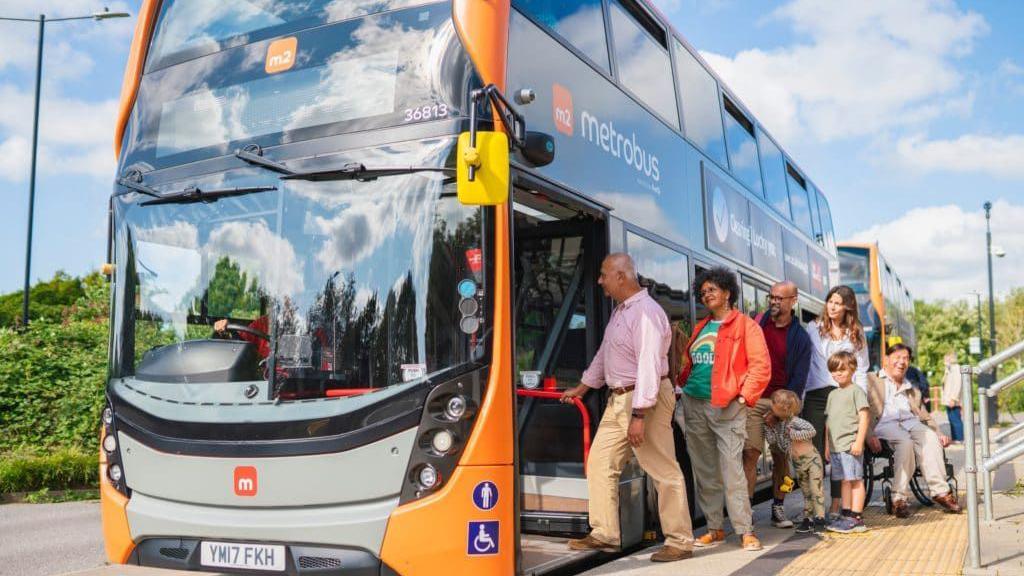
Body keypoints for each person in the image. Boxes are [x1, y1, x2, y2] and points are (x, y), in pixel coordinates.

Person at [560, 253, 693, 563]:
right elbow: (606, 354)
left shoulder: (645, 313)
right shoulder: (622, 311)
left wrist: (639, 415)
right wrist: (583, 386)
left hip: (642, 399)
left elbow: (648, 366)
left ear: (621, 276)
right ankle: (605, 533)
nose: (600, 280)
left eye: (604, 274)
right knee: (600, 463)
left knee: (663, 469)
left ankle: (680, 541)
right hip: (619, 398)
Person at [677, 266, 770, 552]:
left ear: (727, 292)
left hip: (727, 406)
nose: (706, 295)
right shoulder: (701, 327)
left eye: (712, 290)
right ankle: (715, 528)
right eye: (702, 292)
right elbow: (689, 362)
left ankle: (745, 529)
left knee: (732, 470)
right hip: (694, 403)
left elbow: (760, 366)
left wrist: (743, 398)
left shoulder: (745, 326)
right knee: (705, 470)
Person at [866, 343, 962, 517]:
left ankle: (940, 492)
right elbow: (861, 409)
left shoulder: (912, 389)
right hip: (885, 424)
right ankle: (898, 499)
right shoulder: (872, 380)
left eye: (905, 359)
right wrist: (868, 434)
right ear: (886, 360)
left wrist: (939, 433)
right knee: (905, 442)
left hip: (910, 423)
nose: (901, 362)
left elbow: (925, 416)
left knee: (931, 438)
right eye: (897, 358)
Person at [746, 280, 812, 529]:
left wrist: (778, 414)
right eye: (771, 297)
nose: (773, 301)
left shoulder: (801, 338)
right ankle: (747, 509)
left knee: (781, 458)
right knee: (750, 454)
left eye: (779, 298)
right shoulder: (758, 324)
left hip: (782, 404)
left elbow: (798, 383)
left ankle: (778, 506)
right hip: (754, 399)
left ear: (792, 301)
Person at [803, 285, 870, 520]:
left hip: (844, 396)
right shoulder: (813, 328)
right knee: (816, 453)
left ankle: (836, 504)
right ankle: (815, 505)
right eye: (830, 301)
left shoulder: (856, 333)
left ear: (847, 307)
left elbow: (862, 369)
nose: (832, 306)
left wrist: (858, 398)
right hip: (815, 394)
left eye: (838, 302)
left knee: (840, 452)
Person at [763, 389, 824, 534]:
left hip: (812, 459)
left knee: (816, 489)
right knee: (806, 491)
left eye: (773, 404)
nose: (770, 406)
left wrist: (794, 434)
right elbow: (774, 442)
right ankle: (808, 519)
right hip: (798, 463)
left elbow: (812, 431)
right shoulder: (778, 424)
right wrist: (768, 428)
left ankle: (820, 519)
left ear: (783, 408)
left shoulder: (795, 421)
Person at [824, 351, 871, 533]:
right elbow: (829, 422)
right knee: (844, 480)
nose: (837, 374)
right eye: (834, 371)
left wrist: (859, 441)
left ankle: (856, 518)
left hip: (850, 444)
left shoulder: (856, 391)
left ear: (852, 369)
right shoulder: (832, 395)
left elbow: (864, 417)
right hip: (836, 447)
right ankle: (846, 515)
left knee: (856, 480)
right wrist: (828, 445)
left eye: (842, 370)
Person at [941, 351, 964, 443]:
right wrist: (946, 370)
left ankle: (959, 438)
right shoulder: (949, 369)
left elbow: (957, 385)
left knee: (956, 419)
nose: (944, 361)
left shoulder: (956, 369)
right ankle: (955, 438)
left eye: (946, 359)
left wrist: (954, 398)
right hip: (948, 399)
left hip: (953, 400)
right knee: (951, 419)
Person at [905, 347, 932, 411]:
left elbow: (924, 385)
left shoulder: (914, 371)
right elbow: (924, 385)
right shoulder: (915, 371)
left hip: (913, 405)